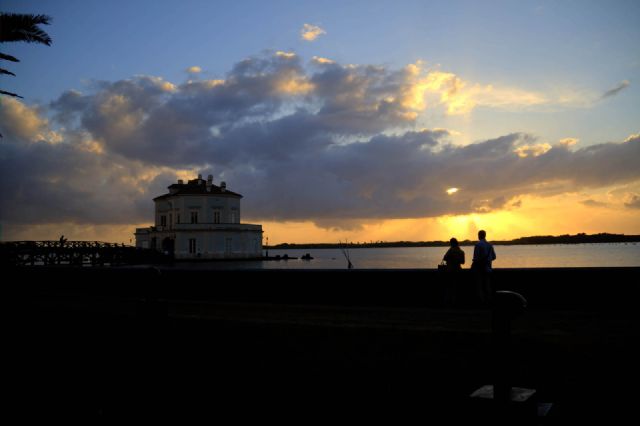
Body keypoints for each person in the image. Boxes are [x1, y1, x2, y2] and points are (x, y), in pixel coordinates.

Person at [472, 230, 497, 305]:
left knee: (479, 286)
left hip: (479, 270)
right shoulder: (490, 245)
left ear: (479, 235)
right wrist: (488, 260)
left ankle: (482, 302)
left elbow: (476, 258)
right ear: (485, 235)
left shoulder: (478, 245)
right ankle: (489, 301)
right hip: (488, 269)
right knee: (487, 286)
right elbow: (494, 257)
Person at [442, 238, 465, 305]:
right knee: (457, 287)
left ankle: (448, 302)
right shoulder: (461, 252)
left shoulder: (450, 250)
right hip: (458, 270)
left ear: (451, 243)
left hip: (450, 271)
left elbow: (444, 258)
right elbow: (463, 262)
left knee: (449, 287)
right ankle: (456, 302)